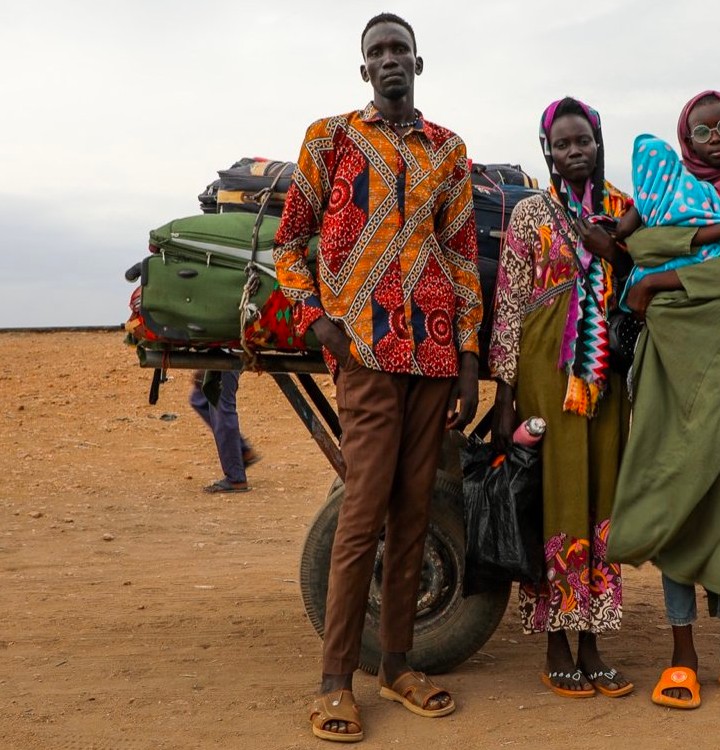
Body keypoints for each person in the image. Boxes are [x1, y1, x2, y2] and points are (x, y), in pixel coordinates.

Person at [272, 13, 481, 742]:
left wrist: (468, 358)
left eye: (399, 49)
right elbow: (289, 241)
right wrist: (318, 320)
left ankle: (397, 665)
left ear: (419, 61)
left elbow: (460, 255)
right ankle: (336, 682)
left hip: (430, 357)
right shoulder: (329, 139)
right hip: (362, 353)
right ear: (364, 71)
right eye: (376, 53)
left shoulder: (448, 151)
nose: (390, 60)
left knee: (415, 510)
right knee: (362, 513)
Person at [608, 90, 720, 709]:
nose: (714, 137)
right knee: (675, 487)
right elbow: (637, 246)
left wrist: (661, 279)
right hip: (666, 355)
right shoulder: (667, 186)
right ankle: (681, 656)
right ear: (684, 137)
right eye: (700, 128)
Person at [489, 97, 634, 700]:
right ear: (547, 149)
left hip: (605, 375)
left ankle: (595, 641)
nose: (575, 152)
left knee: (601, 493)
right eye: (563, 144)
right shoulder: (531, 214)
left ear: (599, 143)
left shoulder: (624, 210)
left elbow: (638, 279)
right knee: (554, 496)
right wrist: (505, 394)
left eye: (584, 142)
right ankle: (555, 642)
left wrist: (617, 248)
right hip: (545, 371)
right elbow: (510, 302)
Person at [188, 370, 259, 493]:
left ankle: (236, 478)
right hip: (227, 352)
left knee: (221, 404)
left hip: (230, 353)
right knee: (200, 397)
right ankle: (241, 452)